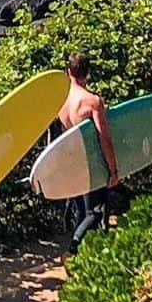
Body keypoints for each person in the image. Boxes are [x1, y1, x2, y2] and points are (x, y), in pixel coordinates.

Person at [57, 54, 118, 263]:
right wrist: (113, 169)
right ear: (87, 74)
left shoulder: (60, 101)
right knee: (95, 213)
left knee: (80, 212)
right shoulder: (92, 102)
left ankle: (82, 260)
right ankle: (72, 251)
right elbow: (104, 138)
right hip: (90, 164)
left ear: (68, 72)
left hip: (69, 162)